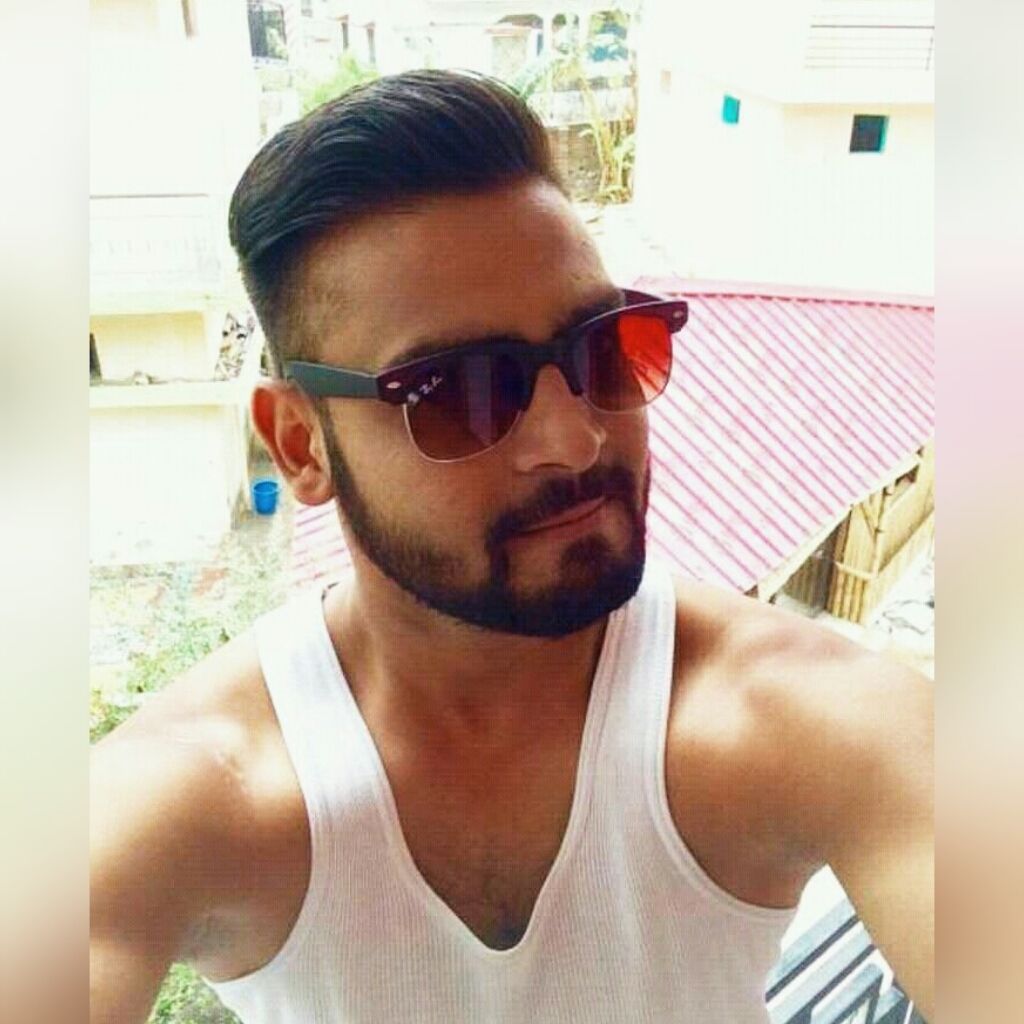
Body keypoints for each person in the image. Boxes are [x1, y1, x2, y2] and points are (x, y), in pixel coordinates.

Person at [90, 70, 933, 1023]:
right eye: (459, 390)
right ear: (300, 445)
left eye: (604, 348)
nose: (574, 438)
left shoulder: (792, 718)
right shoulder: (196, 796)